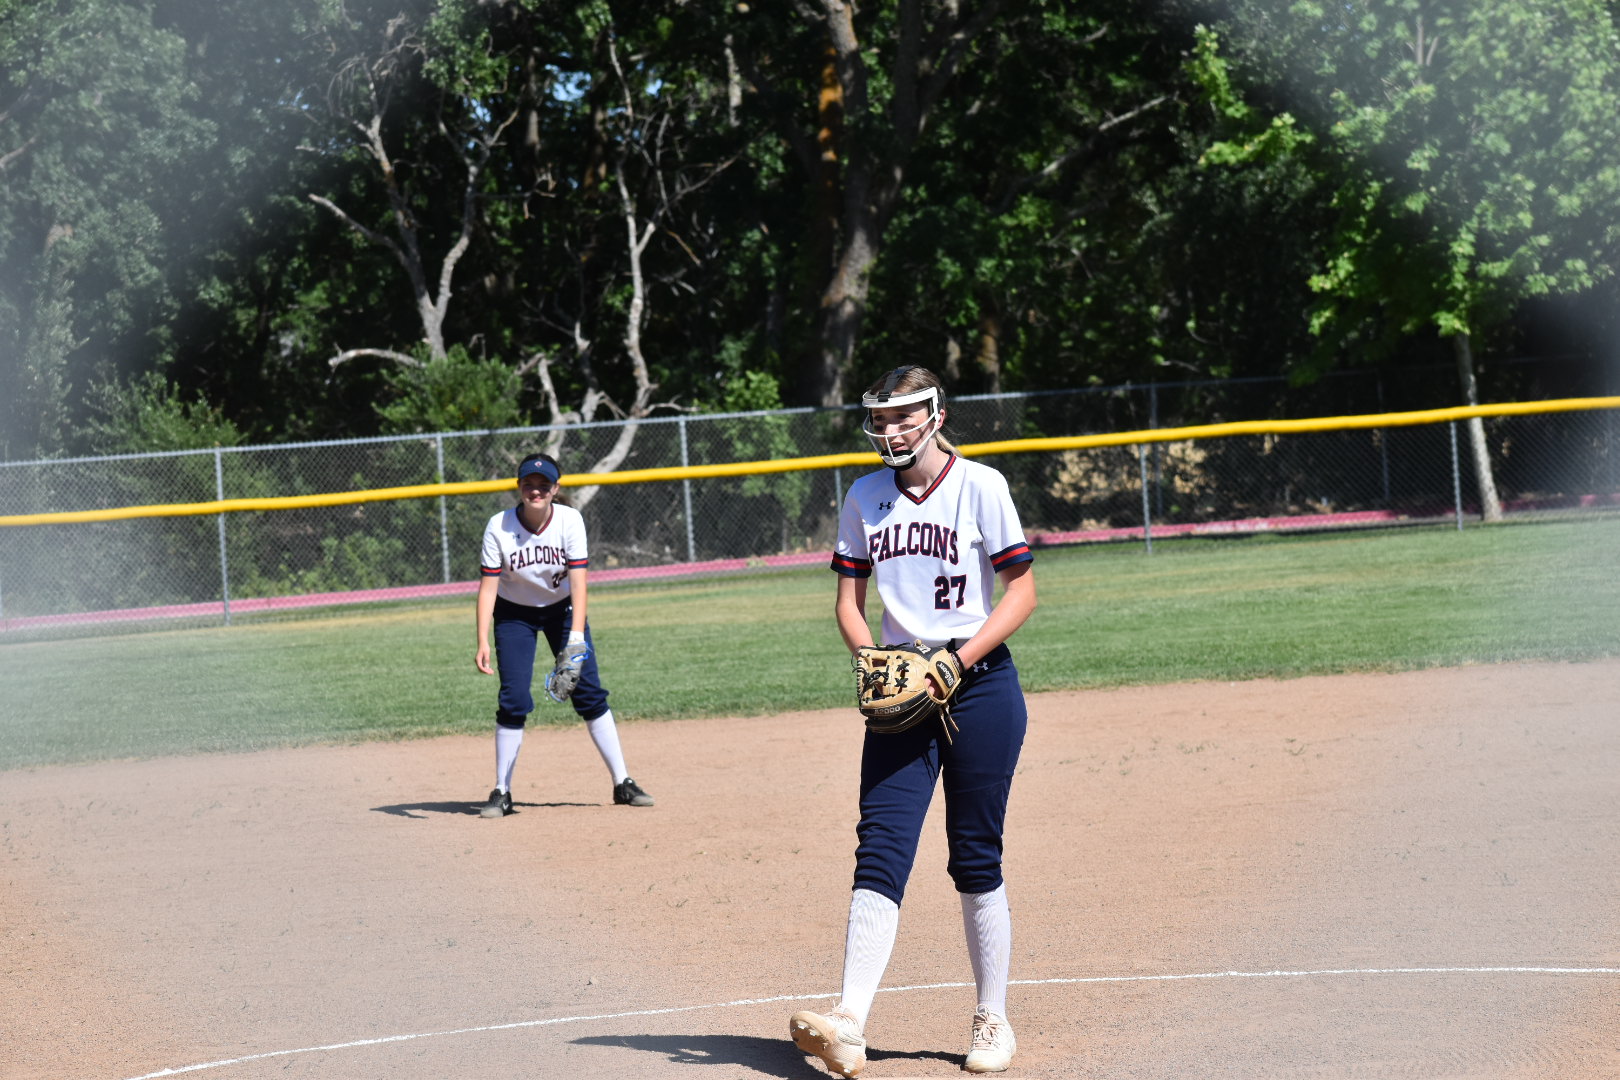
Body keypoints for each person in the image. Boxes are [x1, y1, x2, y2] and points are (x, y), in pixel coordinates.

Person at [790, 366, 1037, 1076]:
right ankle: (849, 1022)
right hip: (904, 690)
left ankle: (992, 1018)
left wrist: (958, 662)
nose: (891, 429)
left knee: (974, 856)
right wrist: (871, 659)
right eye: (880, 418)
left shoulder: (981, 485)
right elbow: (847, 601)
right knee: (882, 846)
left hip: (980, 684)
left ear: (937, 415)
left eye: (905, 415)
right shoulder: (865, 496)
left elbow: (1020, 592)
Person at [473, 452, 654, 817]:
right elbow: (488, 588)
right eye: (529, 484)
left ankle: (623, 782)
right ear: (519, 487)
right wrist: (481, 640)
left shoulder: (570, 520)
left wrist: (575, 638)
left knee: (587, 691)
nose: (535, 490)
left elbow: (580, 583)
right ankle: (501, 791)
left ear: (555, 489)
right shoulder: (499, 526)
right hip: (514, 615)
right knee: (513, 697)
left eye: (544, 485)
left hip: (563, 610)